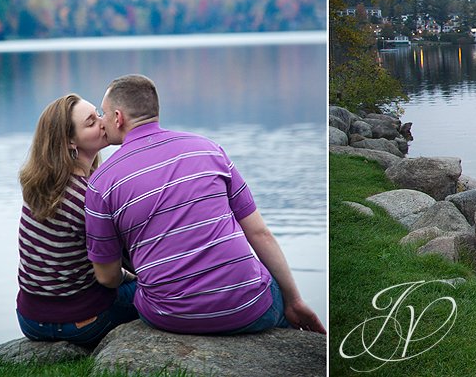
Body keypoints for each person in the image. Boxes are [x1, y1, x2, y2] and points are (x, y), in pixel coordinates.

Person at [85, 74, 325, 335]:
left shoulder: (101, 181)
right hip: (248, 308)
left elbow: (107, 277)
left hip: (170, 316)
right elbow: (259, 233)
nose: (101, 121)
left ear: (118, 117)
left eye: (103, 113)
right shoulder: (208, 149)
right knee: (272, 294)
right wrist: (295, 301)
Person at [16, 94, 139, 347]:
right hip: (79, 321)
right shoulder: (88, 196)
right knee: (163, 291)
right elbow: (116, 271)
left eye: (98, 114)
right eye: (91, 122)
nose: (103, 123)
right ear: (70, 141)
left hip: (29, 319)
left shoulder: (40, 186)